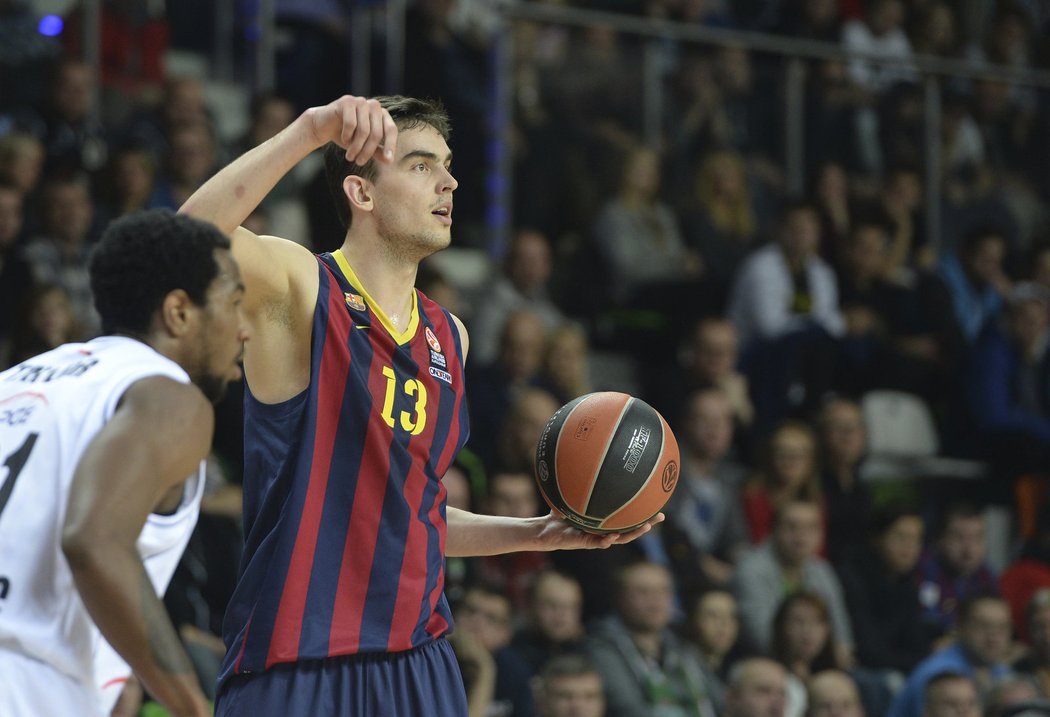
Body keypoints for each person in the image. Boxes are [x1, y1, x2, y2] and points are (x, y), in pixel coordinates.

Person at [178, 93, 661, 715]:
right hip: (299, 654)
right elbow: (185, 241)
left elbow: (416, 517)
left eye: (448, 165)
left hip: (419, 659)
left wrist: (537, 532)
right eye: (421, 165)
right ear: (362, 192)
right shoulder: (302, 287)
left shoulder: (449, 337)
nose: (450, 181)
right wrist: (308, 132)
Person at [0, 209, 248, 717]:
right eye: (235, 303)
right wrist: (191, 706)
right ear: (179, 311)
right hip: (26, 684)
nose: (245, 329)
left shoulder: (18, 379)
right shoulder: (170, 398)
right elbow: (94, 541)